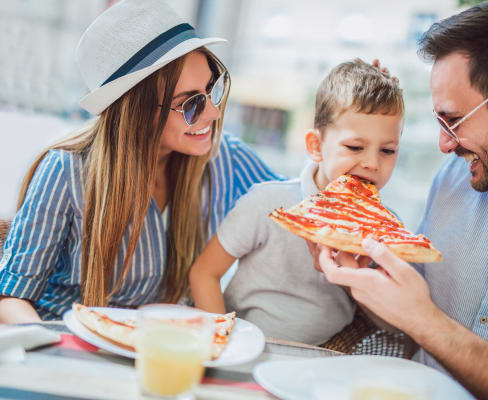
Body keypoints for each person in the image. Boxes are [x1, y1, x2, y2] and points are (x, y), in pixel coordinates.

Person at [312, 1, 488, 399]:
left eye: (453, 119)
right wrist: (357, 280)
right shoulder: (458, 175)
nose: (444, 145)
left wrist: (424, 320)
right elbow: (407, 318)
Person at [0, 0, 281, 323]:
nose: (214, 113)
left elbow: (297, 206)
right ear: (138, 112)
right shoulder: (65, 171)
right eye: (191, 103)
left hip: (158, 347)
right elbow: (11, 297)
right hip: (69, 342)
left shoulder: (223, 157)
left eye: (211, 90)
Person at [189, 59, 405, 345]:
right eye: (355, 147)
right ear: (316, 146)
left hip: (326, 358)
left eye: (387, 150)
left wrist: (355, 277)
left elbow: (389, 324)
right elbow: (204, 272)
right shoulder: (268, 203)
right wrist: (221, 345)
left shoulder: (386, 229)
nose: (372, 163)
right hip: (245, 346)